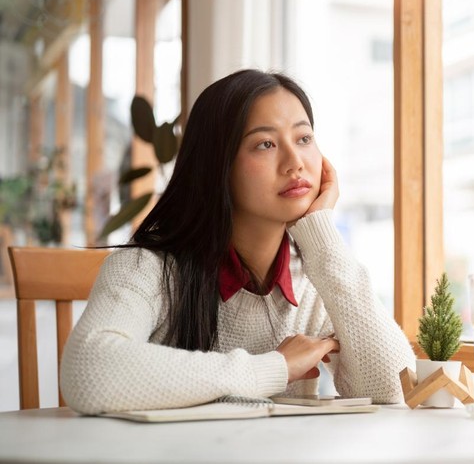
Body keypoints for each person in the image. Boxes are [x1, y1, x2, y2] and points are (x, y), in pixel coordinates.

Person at [60, 69, 415, 414]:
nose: (295, 163)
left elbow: (395, 389)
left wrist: (321, 233)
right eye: (265, 144)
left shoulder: (317, 276)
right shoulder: (148, 269)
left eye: (303, 138)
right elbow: (89, 370)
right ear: (218, 165)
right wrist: (275, 368)